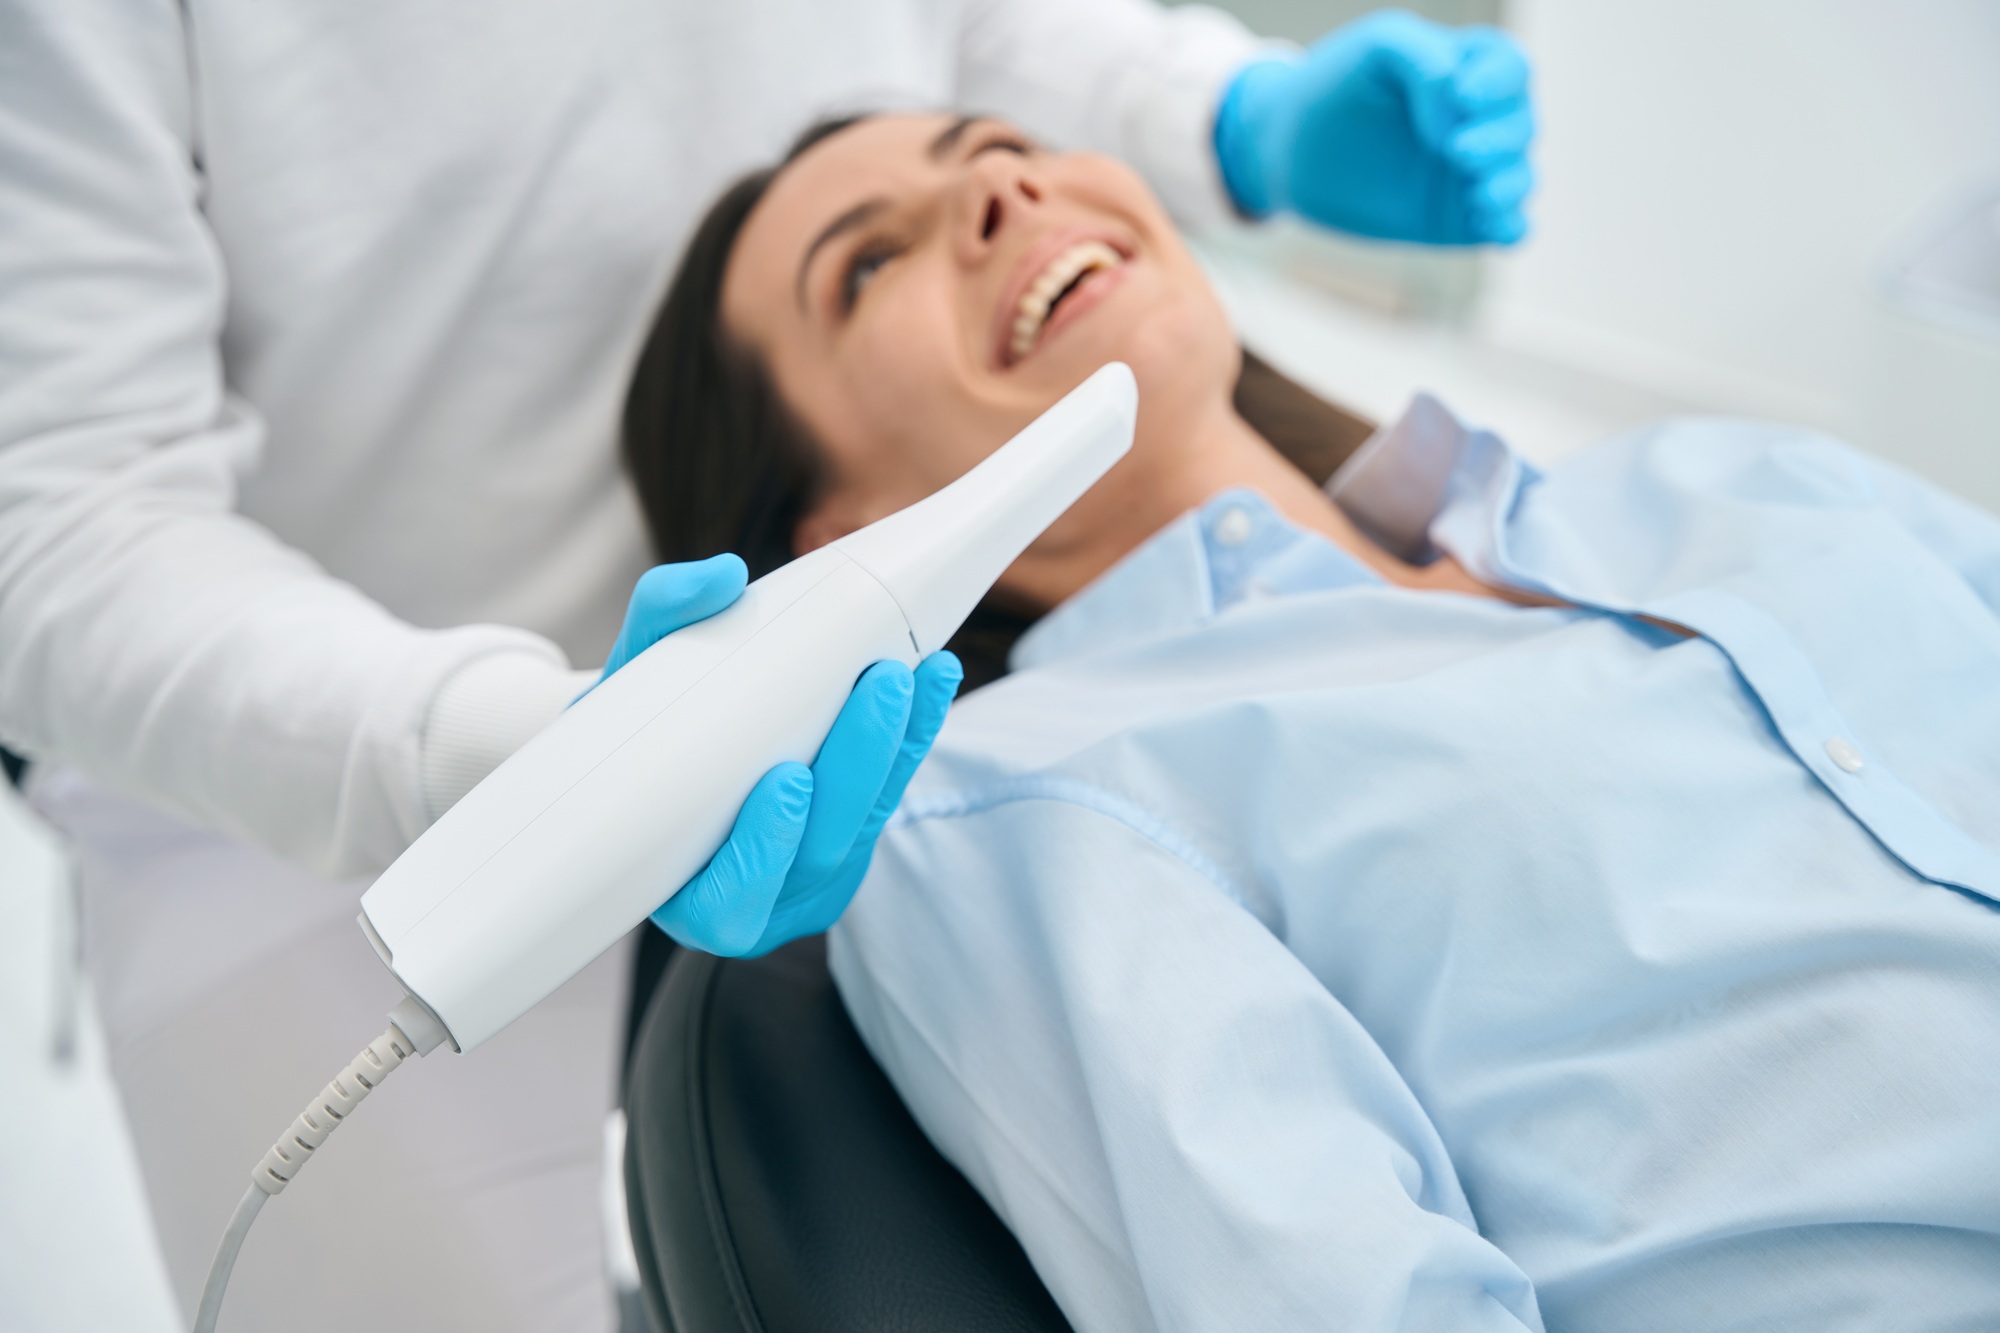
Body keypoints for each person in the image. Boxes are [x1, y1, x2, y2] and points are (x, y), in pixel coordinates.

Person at [0, 2, 1535, 1325]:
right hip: (296, 760)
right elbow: (58, 513)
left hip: (863, 669)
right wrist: (504, 743)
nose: (1004, 193)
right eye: (870, 263)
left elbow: (965, 58)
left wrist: (1219, 113)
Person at [620, 110, 2000, 1331]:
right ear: (836, 532)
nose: (1002, 193)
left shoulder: (1722, 470)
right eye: (869, 266)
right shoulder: (1017, 800)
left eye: (1007, 145)